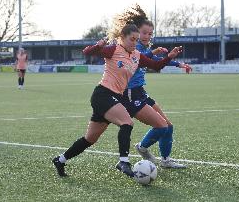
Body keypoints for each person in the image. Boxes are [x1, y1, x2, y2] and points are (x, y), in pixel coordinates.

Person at [52, 23, 182, 178]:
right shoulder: (114, 49)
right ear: (122, 38)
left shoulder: (137, 55)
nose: (134, 43)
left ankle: (60, 159)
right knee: (127, 123)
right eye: (131, 39)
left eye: (136, 40)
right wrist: (98, 45)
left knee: (90, 139)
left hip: (114, 97)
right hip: (103, 94)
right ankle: (123, 162)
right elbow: (87, 52)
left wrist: (169, 57)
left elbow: (156, 65)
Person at [116, 5, 192, 168]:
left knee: (168, 126)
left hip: (140, 92)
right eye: (144, 33)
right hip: (129, 94)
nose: (147, 36)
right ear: (137, 32)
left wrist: (179, 64)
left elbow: (155, 63)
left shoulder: (145, 48)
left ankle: (165, 160)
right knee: (161, 126)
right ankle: (142, 147)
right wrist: (154, 52)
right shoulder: (131, 46)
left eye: (150, 33)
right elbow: (138, 59)